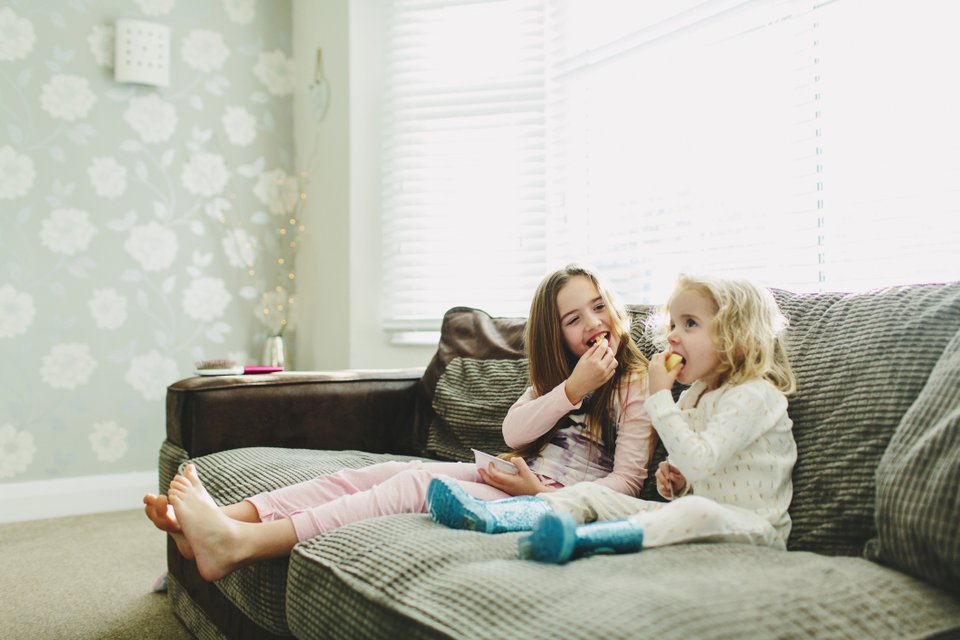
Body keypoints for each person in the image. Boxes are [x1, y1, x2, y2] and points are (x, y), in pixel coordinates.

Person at [144, 263, 655, 581]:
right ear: (555, 335)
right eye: (573, 319)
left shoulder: (635, 382)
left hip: (553, 502)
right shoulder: (561, 379)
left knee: (414, 482)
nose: (593, 324)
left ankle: (239, 545)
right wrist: (571, 389)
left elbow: (628, 485)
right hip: (519, 479)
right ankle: (225, 519)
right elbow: (514, 433)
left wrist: (541, 494)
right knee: (369, 475)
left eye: (598, 307)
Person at [428, 274, 797, 565]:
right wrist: (675, 480)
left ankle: (585, 542)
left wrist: (659, 399)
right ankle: (497, 518)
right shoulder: (696, 395)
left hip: (753, 528)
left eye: (689, 324)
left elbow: (701, 461)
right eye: (672, 324)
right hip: (699, 513)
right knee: (592, 495)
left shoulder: (754, 396)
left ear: (736, 338)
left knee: (695, 510)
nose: (671, 337)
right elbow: (694, 468)